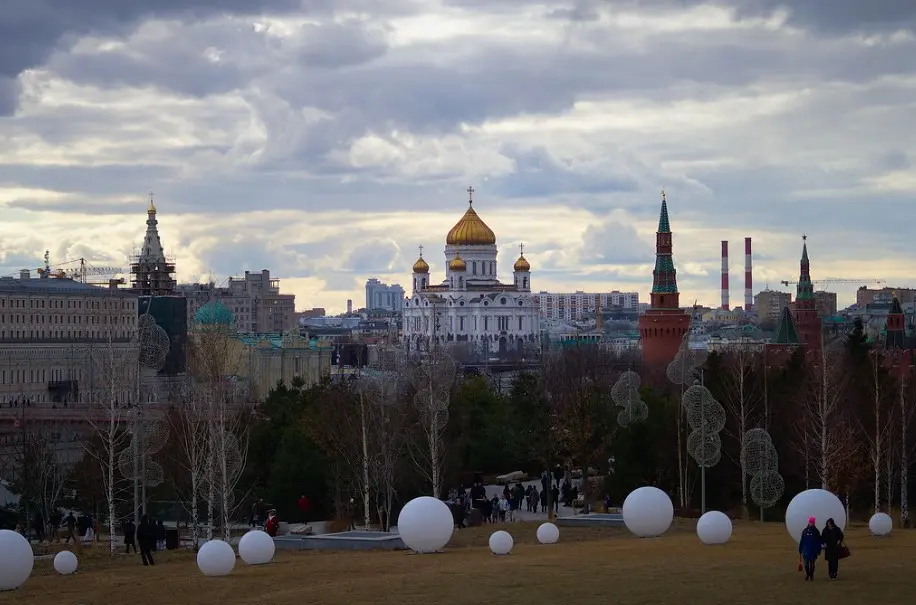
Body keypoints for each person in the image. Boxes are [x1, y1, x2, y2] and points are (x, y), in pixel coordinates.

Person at [798, 516, 822, 581]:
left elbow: (818, 542)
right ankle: (807, 574)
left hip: (813, 550)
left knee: (812, 563)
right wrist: (800, 549)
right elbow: (802, 540)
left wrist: (818, 550)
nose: (810, 523)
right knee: (806, 564)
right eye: (810, 522)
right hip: (806, 549)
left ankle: (811, 575)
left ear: (814, 523)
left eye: (812, 522)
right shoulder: (805, 531)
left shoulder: (816, 531)